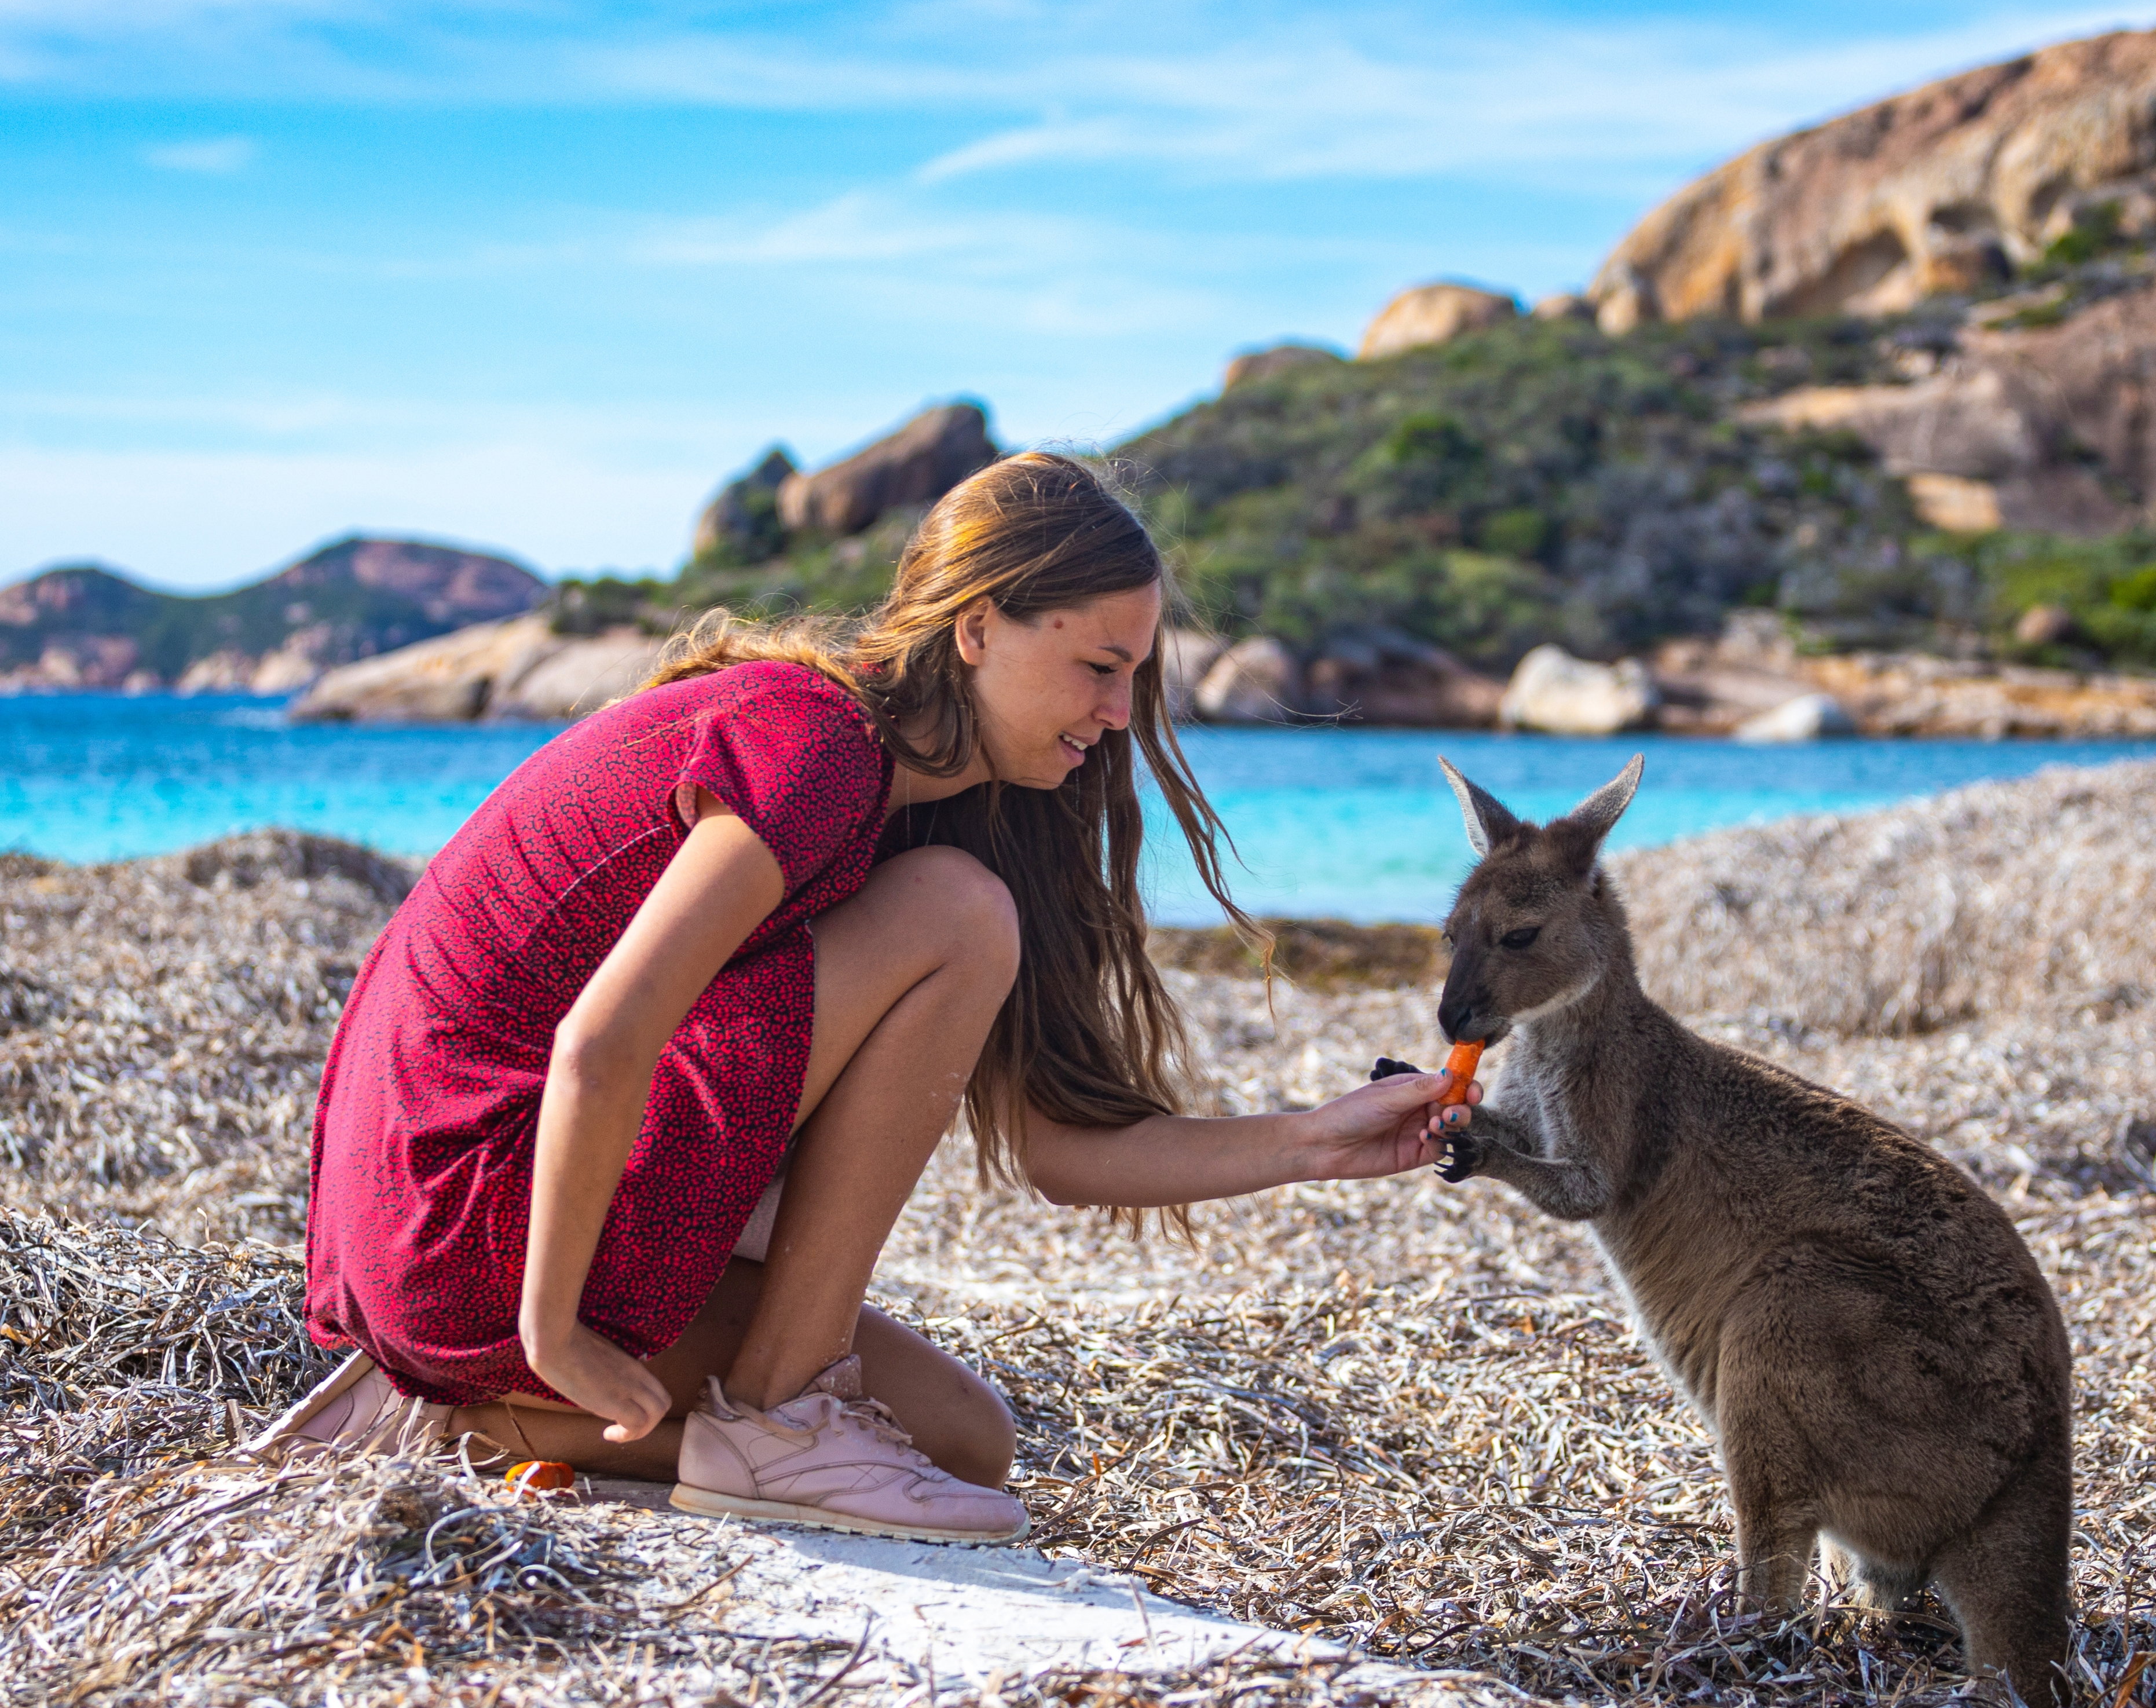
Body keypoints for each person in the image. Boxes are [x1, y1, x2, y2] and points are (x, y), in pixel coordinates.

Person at [258, 452, 1469, 1544]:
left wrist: (1316, 1142)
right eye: (1098, 666)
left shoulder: (918, 791)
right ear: (981, 628)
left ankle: (451, 1418)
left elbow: (1054, 1147)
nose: (1117, 712)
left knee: (964, 1441)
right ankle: (772, 1417)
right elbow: (598, 1040)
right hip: (482, 1227)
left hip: (447, 1250)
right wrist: (553, 1333)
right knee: (955, 908)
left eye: (1132, 675)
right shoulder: (819, 744)